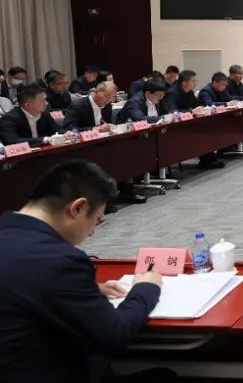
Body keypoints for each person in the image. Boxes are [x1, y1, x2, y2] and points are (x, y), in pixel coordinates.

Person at [0, 160, 169, 383]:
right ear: (78, 208)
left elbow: (20, 283)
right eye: (97, 220)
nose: (91, 233)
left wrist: (90, 290)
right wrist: (146, 287)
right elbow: (115, 334)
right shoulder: (61, 260)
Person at [0, 85, 66, 146]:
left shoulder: (44, 114)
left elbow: (56, 130)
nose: (46, 103)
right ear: (28, 105)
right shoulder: (9, 119)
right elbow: (12, 141)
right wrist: (44, 140)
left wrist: (66, 133)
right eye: (42, 101)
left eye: (45, 99)